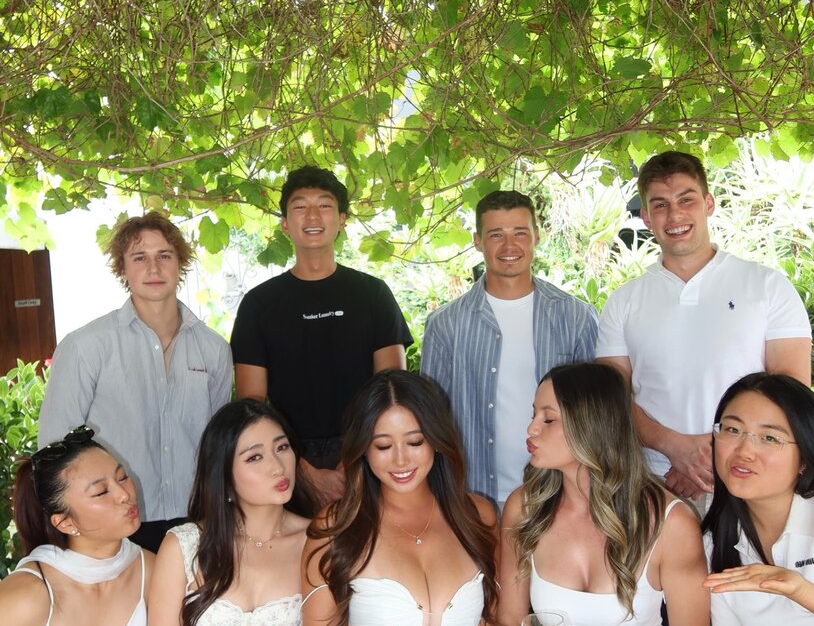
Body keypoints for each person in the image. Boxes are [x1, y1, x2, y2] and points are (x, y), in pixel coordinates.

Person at [596, 150, 811, 502]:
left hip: (749, 477)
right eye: (661, 205)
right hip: (656, 480)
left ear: (708, 204)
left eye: (686, 199)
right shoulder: (623, 301)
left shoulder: (768, 286)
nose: (675, 215)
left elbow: (791, 389)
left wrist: (718, 453)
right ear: (646, 216)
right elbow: (610, 397)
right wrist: (675, 447)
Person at [498, 363, 710, 626]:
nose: (531, 428)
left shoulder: (671, 522)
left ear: (593, 425)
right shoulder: (525, 508)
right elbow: (511, 624)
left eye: (548, 419)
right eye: (533, 415)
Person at [37, 212, 232, 553]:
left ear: (180, 263)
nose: (153, 268)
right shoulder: (86, 347)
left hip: (197, 519)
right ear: (123, 269)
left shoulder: (214, 349)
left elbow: (219, 442)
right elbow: (54, 447)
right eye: (139, 258)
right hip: (113, 525)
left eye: (164, 256)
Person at [301, 370, 499, 626]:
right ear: (363, 448)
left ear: (436, 439)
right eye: (383, 445)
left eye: (415, 442)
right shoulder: (335, 528)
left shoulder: (477, 516)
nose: (401, 459)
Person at [231, 166, 413, 506]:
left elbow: (392, 390)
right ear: (285, 224)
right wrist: (302, 470)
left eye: (325, 205)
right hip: (288, 460)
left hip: (367, 451)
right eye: (300, 206)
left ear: (342, 219)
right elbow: (251, 406)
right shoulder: (259, 304)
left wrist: (354, 461)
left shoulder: (373, 294)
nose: (313, 216)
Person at [142, 400, 319, 626]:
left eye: (282, 447)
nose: (278, 467)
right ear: (223, 474)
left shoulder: (315, 544)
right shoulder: (183, 546)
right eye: (255, 457)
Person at [421, 190, 598, 507]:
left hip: (560, 496)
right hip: (472, 496)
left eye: (520, 233)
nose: (509, 246)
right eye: (496, 235)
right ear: (478, 241)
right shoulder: (445, 324)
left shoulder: (576, 317)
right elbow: (431, 419)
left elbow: (596, 415)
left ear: (536, 236)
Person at [0, 426, 150, 626]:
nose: (125, 494)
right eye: (101, 492)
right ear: (65, 523)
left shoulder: (154, 573)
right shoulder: (29, 593)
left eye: (122, 477)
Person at [703, 373, 814, 626]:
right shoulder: (716, 541)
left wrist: (799, 589)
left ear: (805, 456)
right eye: (732, 429)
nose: (744, 451)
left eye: (769, 438)